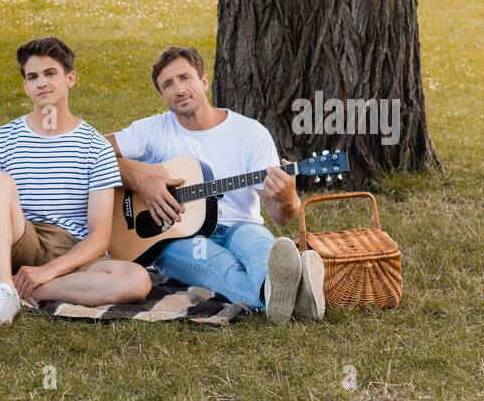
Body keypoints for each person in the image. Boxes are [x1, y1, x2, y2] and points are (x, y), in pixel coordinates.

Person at [104, 45, 325, 323]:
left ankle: (281, 296)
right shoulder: (152, 130)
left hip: (241, 226)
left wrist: (288, 196)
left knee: (261, 251)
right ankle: (290, 296)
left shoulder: (250, 133)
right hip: (176, 237)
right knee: (221, 266)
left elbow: (281, 217)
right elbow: (92, 152)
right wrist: (141, 180)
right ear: (162, 96)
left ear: (204, 81)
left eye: (186, 78)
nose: (179, 89)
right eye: (168, 84)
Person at [0, 36, 152, 325]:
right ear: (26, 86)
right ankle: (5, 286)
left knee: (136, 280)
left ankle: (7, 286)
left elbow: (98, 237)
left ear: (70, 79)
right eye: (33, 77)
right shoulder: (1, 138)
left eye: (50, 73)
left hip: (75, 250)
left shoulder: (96, 147)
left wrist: (48, 270)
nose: (41, 82)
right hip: (24, 238)